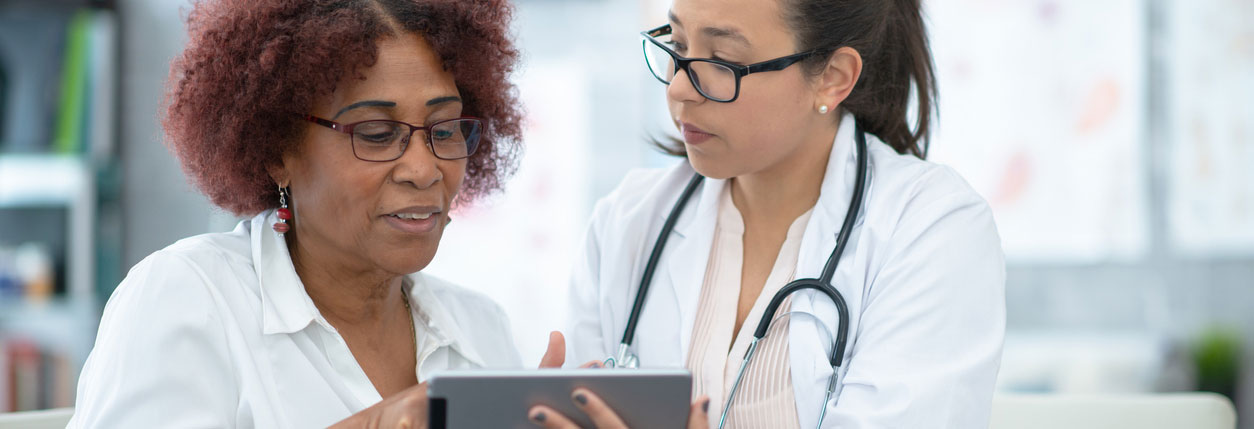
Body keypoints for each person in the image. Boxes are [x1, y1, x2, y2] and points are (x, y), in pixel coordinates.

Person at [67, 0, 559, 426]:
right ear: (278, 149)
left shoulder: (481, 329)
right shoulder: (188, 301)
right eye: (375, 133)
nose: (424, 169)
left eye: (445, 128)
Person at [543, 0, 1006, 427]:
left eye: (721, 61)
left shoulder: (932, 229)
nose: (681, 88)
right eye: (679, 46)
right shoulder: (629, 220)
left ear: (833, 77)